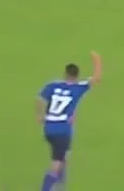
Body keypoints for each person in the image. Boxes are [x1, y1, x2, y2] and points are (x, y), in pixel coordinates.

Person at [39, 53, 103, 189]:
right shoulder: (78, 87)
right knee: (57, 160)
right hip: (62, 130)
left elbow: (41, 99)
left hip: (48, 128)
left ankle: (60, 177)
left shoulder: (53, 85)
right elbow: (97, 78)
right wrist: (97, 61)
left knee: (63, 151)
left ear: (65, 74)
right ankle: (46, 187)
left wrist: (41, 116)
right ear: (77, 76)